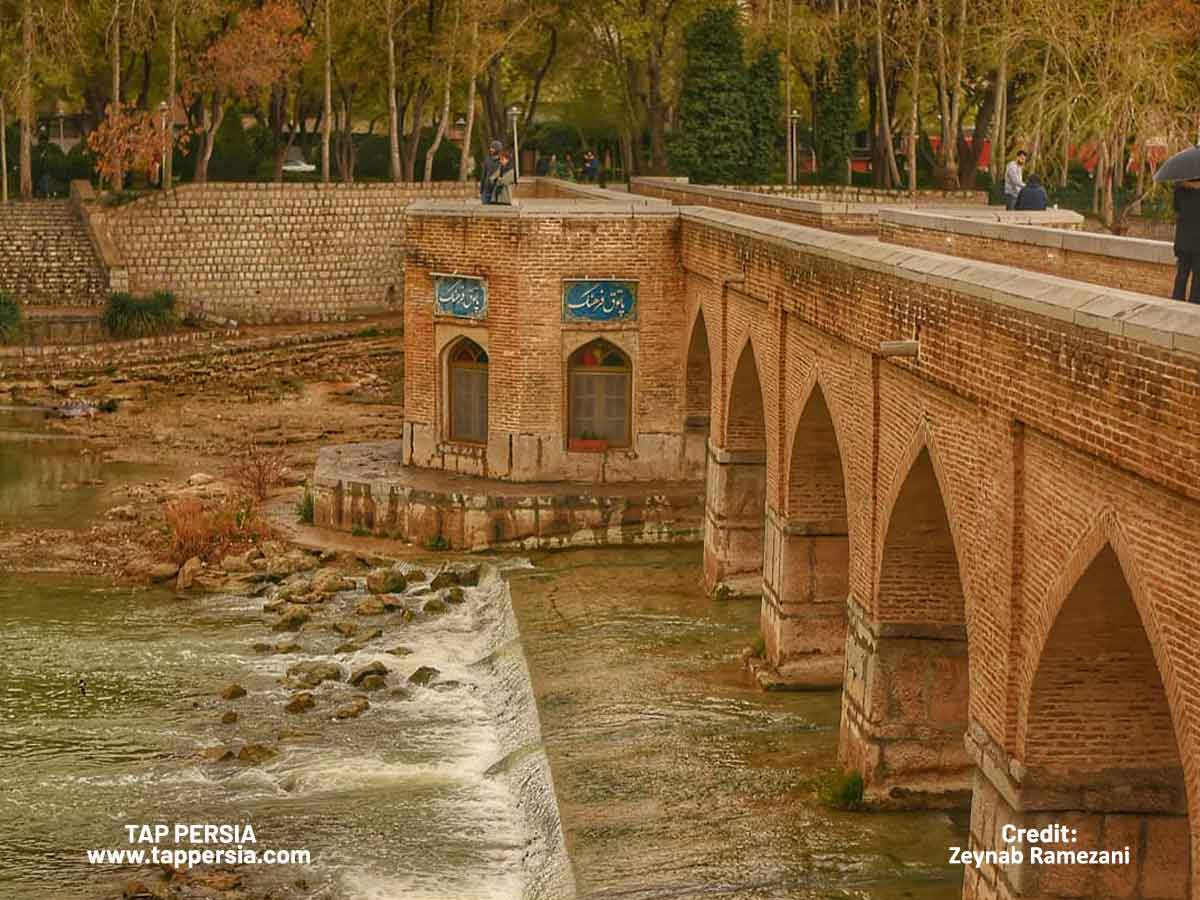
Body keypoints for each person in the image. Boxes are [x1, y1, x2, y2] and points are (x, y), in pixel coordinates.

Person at [1172, 180, 1200, 303]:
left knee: (1181, 276)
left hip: (1183, 240)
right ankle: (1194, 305)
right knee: (1198, 278)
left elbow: (1176, 208)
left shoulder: (1179, 188)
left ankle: (1176, 303)